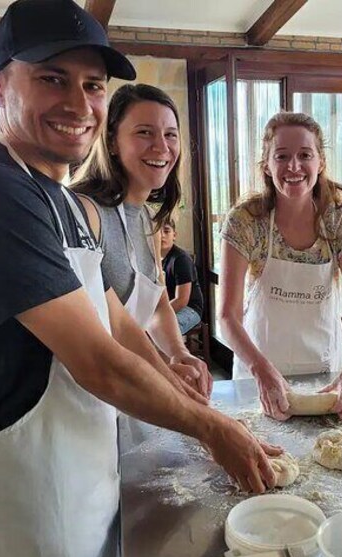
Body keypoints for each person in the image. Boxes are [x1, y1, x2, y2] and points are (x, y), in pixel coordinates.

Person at [0, 2, 278, 557]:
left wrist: (176, 378)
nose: (77, 103)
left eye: (92, 85)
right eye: (51, 79)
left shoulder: (61, 201)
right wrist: (212, 429)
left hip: (82, 469)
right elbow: (96, 359)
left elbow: (115, 319)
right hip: (20, 490)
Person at [219, 111, 342, 422]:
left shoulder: (340, 219)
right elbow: (227, 316)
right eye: (282, 156)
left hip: (325, 376)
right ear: (267, 165)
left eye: (305, 155)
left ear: (320, 163)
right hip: (258, 374)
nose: (294, 167)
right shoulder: (246, 221)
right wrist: (260, 371)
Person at [70, 83, 211, 396]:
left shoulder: (147, 218)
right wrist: (166, 376)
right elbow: (110, 325)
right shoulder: (84, 212)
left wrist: (179, 352)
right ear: (112, 142)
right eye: (145, 132)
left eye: (170, 134)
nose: (161, 147)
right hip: (88, 391)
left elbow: (159, 307)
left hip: (134, 389)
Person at [160, 217, 205, 335]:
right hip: (169, 307)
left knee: (165, 332)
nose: (162, 236)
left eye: (166, 231)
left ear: (174, 235)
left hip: (190, 309)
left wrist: (158, 315)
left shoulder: (180, 259)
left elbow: (181, 300)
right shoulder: (153, 258)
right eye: (157, 232)